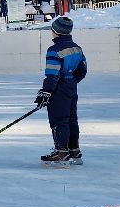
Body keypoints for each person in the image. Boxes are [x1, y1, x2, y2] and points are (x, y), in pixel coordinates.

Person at [35, 14, 87, 166]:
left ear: (55, 32)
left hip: (59, 88)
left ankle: (61, 152)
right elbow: (82, 70)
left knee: (59, 119)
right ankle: (74, 150)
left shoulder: (54, 50)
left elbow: (52, 74)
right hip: (71, 87)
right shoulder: (77, 48)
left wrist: (46, 92)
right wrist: (71, 81)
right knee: (71, 118)